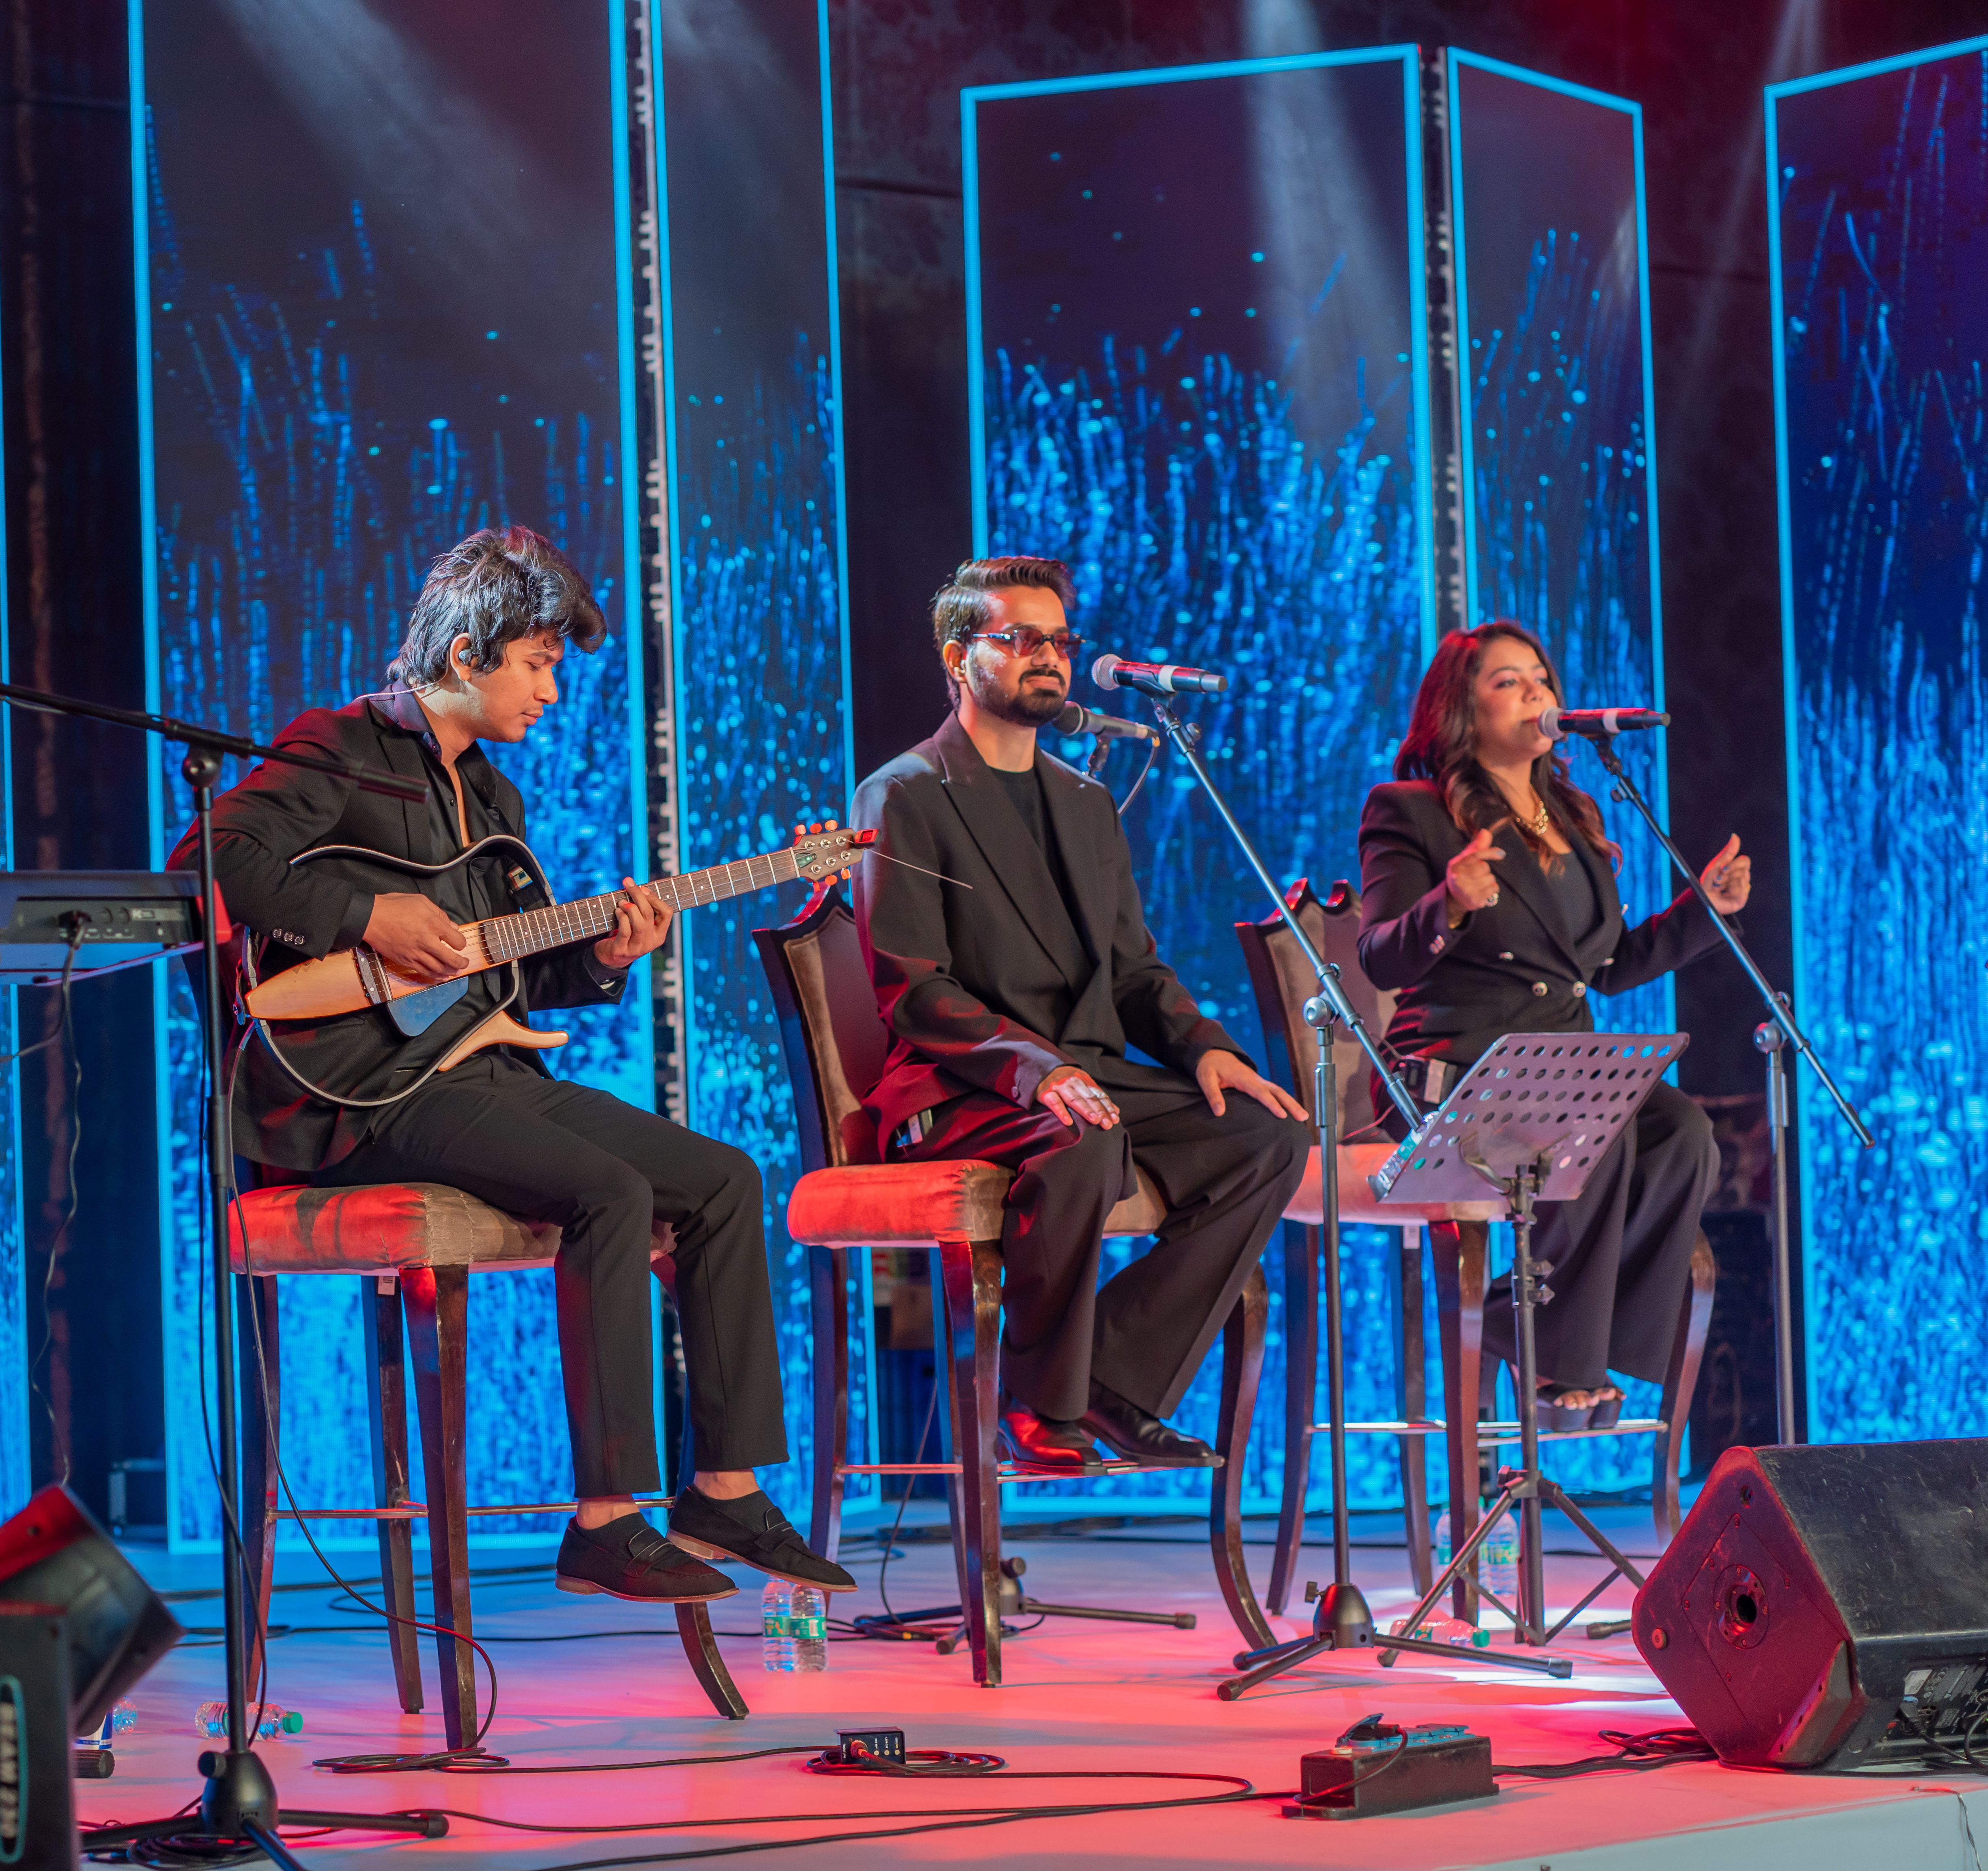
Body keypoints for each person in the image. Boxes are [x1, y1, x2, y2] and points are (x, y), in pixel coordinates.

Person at [177, 525, 849, 1604]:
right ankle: (606, 1521)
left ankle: (725, 1489)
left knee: (724, 1179)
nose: (550, 691)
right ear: (465, 654)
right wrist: (368, 915)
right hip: (359, 1095)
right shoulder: (339, 748)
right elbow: (211, 859)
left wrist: (608, 956)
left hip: (475, 1072)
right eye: (538, 664)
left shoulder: (495, 800)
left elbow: (507, 974)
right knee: (609, 1191)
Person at [852, 556, 1307, 1472]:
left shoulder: (1087, 800)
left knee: (1266, 1134)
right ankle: (1039, 1405)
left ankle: (1106, 1378)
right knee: (1086, 1131)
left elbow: (1133, 967)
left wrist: (1203, 1048)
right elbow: (915, 987)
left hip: (1086, 1076)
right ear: (959, 656)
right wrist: (1040, 1069)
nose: (1050, 657)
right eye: (1021, 638)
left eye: (1061, 640)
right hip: (969, 1083)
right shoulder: (903, 792)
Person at [1357, 621, 1750, 1426]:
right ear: (1461, 708)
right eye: (1508, 680)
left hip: (1564, 1065)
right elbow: (1379, 957)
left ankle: (1541, 1328)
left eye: (1541, 676)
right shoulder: (1412, 812)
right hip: (1456, 1068)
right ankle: (1559, 1360)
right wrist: (1448, 905)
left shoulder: (1572, 815)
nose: (1536, 691)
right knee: (1592, 1130)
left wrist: (1701, 912)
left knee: (1683, 1135)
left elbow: (1604, 966)